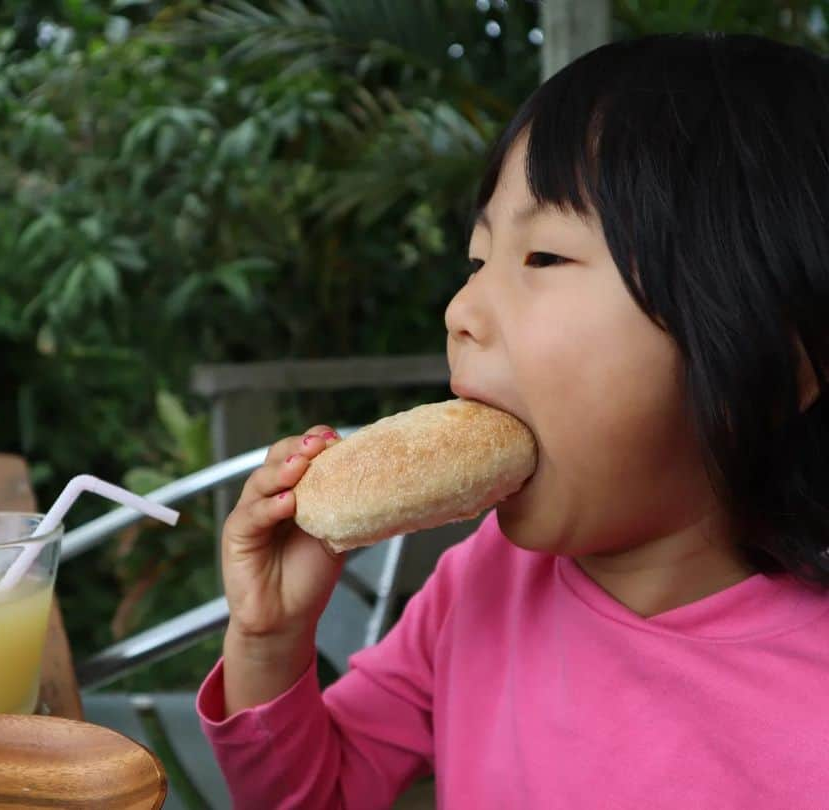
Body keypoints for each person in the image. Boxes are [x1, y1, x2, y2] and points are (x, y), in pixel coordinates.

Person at [195, 33, 829, 808]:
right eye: (477, 260)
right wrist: (269, 640)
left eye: (544, 259)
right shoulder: (482, 578)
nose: (461, 311)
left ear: (775, 359)